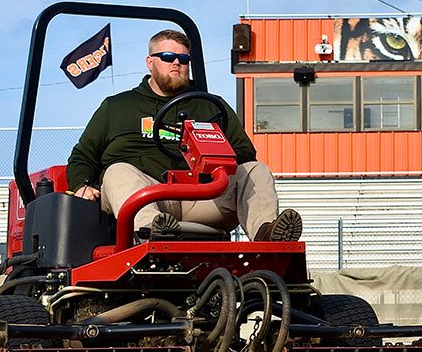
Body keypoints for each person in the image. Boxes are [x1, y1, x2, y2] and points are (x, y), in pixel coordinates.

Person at [66, 29, 302, 241]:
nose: (176, 63)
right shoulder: (117, 107)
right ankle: (152, 233)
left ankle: (267, 234)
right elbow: (83, 156)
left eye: (183, 58)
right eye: (168, 57)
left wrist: (214, 161)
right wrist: (82, 185)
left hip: (200, 196)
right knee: (117, 171)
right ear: (150, 62)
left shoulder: (209, 106)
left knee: (255, 169)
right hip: (145, 194)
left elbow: (244, 151)